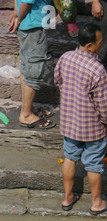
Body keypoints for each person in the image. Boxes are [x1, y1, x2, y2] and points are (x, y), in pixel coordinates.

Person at [54, 23, 107, 215]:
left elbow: (57, 80)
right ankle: (97, 203)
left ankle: (67, 198)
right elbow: (105, 105)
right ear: (90, 45)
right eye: (100, 42)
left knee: (70, 157)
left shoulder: (66, 58)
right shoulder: (97, 69)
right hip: (91, 127)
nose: (103, 44)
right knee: (93, 164)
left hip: (69, 121)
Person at [8, 0, 56, 129]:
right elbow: (27, 1)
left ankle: (28, 108)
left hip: (29, 22)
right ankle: (26, 115)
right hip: (33, 25)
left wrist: (17, 13)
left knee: (27, 66)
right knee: (33, 70)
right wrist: (18, 17)